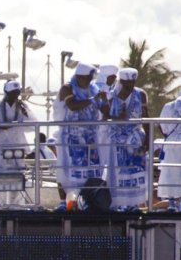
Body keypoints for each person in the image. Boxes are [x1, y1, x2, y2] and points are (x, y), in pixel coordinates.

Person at [55, 62, 107, 204]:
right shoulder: (67, 88)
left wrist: (105, 101)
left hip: (90, 138)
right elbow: (72, 106)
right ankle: (63, 202)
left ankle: (89, 200)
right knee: (65, 171)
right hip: (70, 137)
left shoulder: (93, 89)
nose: (89, 81)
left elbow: (104, 111)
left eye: (91, 78)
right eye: (87, 78)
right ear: (79, 76)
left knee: (91, 172)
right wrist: (94, 100)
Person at [102, 67, 150, 210]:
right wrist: (117, 117)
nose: (130, 85)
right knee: (117, 173)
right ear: (121, 81)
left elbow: (146, 117)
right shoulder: (111, 96)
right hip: (116, 141)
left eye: (132, 82)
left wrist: (147, 140)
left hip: (135, 139)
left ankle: (134, 204)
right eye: (126, 82)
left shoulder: (140, 95)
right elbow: (104, 118)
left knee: (136, 171)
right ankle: (117, 204)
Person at [0, 80, 33, 207]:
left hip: (17, 146)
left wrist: (24, 115)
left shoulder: (23, 107)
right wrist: (0, 128)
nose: (14, 96)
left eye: (16, 93)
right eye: (12, 93)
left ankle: (17, 205)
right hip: (0, 147)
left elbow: (32, 125)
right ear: (6, 93)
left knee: (18, 175)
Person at [155, 88, 181, 209]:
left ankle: (172, 202)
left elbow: (164, 126)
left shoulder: (168, 106)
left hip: (172, 142)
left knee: (171, 173)